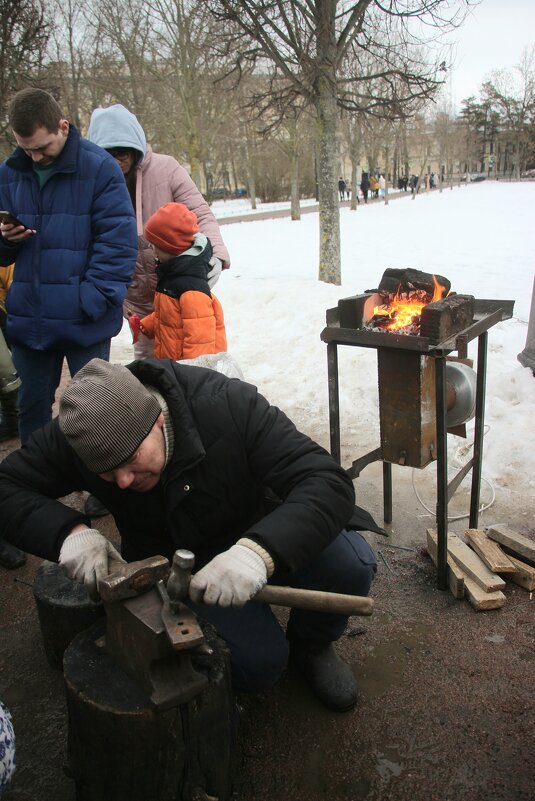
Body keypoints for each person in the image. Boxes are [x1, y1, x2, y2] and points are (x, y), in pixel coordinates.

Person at [0, 358, 381, 712]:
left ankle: (312, 645)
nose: (123, 481)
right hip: (182, 565)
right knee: (259, 665)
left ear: (157, 421)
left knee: (350, 566)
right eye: (106, 472)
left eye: (130, 461)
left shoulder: (227, 404)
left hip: (264, 526)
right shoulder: (80, 433)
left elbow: (326, 480)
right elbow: (6, 486)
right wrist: (69, 533)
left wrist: (259, 552)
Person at [0, 89, 137, 447]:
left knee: (96, 411)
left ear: (63, 127)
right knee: (31, 409)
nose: (35, 156)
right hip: (30, 318)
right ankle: (36, 476)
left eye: (42, 147)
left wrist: (91, 299)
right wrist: (7, 239)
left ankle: (99, 477)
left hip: (84, 318)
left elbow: (118, 244)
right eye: (26, 149)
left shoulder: (101, 168)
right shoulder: (10, 173)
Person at [87, 104, 230, 361]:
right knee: (148, 364)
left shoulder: (167, 169)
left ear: (135, 147)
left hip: (177, 286)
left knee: (187, 355)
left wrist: (216, 255)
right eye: (108, 154)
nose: (117, 160)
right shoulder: (91, 182)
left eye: (123, 152)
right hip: (134, 295)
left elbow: (199, 212)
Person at [138, 202, 227, 360]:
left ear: (171, 247)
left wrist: (188, 372)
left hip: (187, 370)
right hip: (172, 366)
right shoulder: (172, 273)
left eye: (156, 245)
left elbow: (200, 342)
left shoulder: (192, 288)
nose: (152, 249)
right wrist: (147, 324)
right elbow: (170, 314)